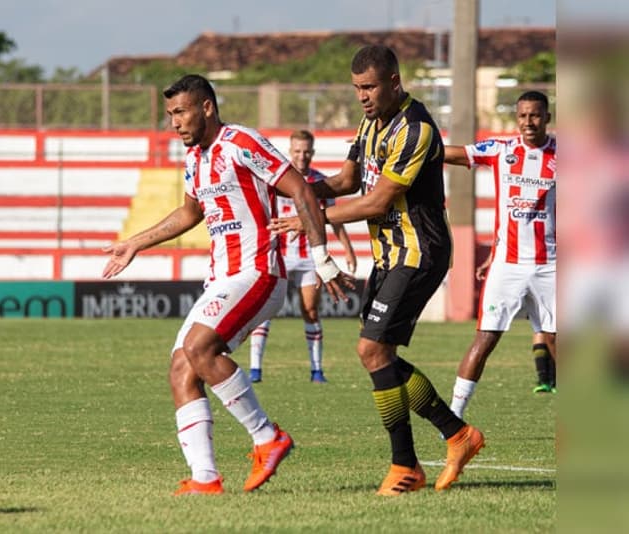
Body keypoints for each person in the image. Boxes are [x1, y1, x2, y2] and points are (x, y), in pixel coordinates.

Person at [102, 74, 355, 495]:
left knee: (199, 348)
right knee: (181, 368)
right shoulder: (194, 158)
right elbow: (189, 214)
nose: (174, 123)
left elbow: (300, 190)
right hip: (222, 277)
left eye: (180, 112)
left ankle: (266, 437)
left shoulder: (241, 142)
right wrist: (135, 243)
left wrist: (321, 257)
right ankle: (205, 478)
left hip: (257, 271)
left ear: (206, 107)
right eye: (170, 115)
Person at [269, 44, 484, 495]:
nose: (362, 96)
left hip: (420, 252)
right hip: (389, 255)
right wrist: (298, 191)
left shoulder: (416, 129)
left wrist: (313, 218)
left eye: (368, 87)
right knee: (378, 355)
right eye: (356, 88)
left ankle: (406, 465)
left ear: (393, 81)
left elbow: (377, 202)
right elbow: (346, 182)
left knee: (371, 349)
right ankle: (457, 434)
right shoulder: (371, 122)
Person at [446, 91, 557, 420]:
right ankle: (453, 418)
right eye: (522, 115)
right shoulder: (501, 150)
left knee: (557, 342)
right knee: (485, 338)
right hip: (507, 265)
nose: (528, 122)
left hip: (551, 265)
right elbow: (453, 153)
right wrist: (410, 147)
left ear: (547, 118)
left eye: (535, 115)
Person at [248, 129, 358, 384]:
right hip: (279, 256)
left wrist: (347, 249)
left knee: (310, 310)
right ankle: (255, 369)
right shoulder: (278, 180)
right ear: (290, 151)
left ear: (313, 152)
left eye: (306, 151)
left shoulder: (322, 182)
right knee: (265, 311)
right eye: (297, 151)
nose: (302, 156)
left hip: (309, 257)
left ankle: (316, 370)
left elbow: (334, 220)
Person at [472, 242, 556, 397]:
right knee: (548, 327)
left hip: (521, 271)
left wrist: (489, 261)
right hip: (545, 272)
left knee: (541, 328)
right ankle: (548, 379)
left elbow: (499, 238)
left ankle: (545, 379)